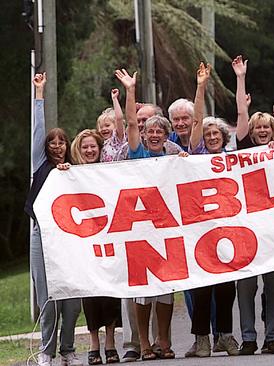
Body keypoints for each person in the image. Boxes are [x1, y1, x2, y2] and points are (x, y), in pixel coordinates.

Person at [115, 68, 179, 360]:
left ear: (166, 136)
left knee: (166, 290)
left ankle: (163, 341)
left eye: (159, 131)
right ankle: (144, 344)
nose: (153, 135)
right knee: (143, 292)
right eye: (149, 131)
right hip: (140, 231)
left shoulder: (174, 158)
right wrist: (130, 90)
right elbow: (129, 121)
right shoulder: (137, 152)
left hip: (167, 231)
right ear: (143, 134)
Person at [182, 63, 240, 358]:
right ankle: (201, 338)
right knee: (202, 286)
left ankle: (226, 336)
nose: (212, 137)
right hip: (201, 229)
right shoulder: (197, 155)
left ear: (223, 137)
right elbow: (196, 123)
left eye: (217, 134)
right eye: (208, 135)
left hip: (228, 229)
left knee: (226, 287)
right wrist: (201, 86)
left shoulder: (234, 159)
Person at [25, 72, 83, 366]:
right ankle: (46, 352)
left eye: (62, 142)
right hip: (42, 238)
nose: (57, 146)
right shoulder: (41, 166)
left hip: (70, 241)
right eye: (53, 142)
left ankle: (68, 349)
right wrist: (39, 94)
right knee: (48, 301)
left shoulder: (76, 171)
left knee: (72, 303)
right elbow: (37, 131)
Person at [232, 55, 274, 355]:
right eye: (258, 127)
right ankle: (249, 337)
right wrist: (241, 77)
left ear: (273, 130)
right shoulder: (243, 149)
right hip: (246, 228)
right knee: (246, 286)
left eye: (267, 127)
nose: (262, 131)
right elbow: (241, 112)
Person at [63, 129, 123, 364]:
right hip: (84, 240)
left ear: (100, 149)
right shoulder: (72, 174)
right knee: (90, 291)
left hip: (110, 237)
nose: (89, 151)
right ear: (80, 149)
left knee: (110, 290)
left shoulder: (111, 172)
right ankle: (93, 342)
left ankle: (110, 341)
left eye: (93, 147)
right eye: (85, 147)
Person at [97, 88, 127, 162]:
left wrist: (114, 99)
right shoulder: (102, 144)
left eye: (107, 125)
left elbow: (119, 118)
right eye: (101, 127)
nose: (103, 129)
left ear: (116, 126)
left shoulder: (117, 138)